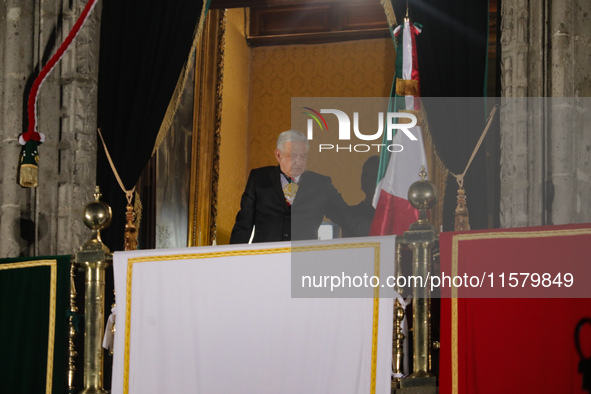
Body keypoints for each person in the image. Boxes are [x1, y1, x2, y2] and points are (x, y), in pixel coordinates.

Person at [230, 130, 355, 243]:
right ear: (278, 155)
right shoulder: (258, 178)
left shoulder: (321, 184)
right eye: (293, 156)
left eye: (303, 156)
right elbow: (243, 225)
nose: (299, 162)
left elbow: (346, 218)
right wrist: (233, 261)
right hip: (265, 259)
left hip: (304, 260)